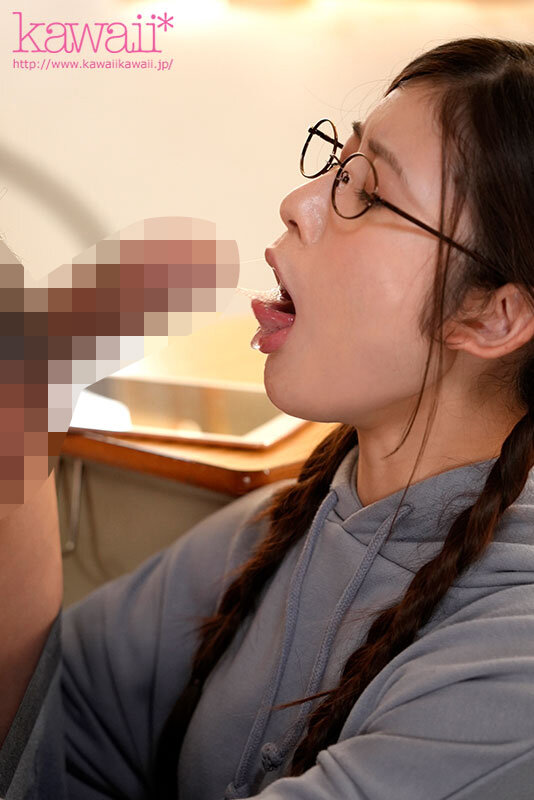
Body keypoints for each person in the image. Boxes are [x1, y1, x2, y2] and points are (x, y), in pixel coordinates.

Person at [2, 34, 534, 800]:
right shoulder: (276, 529)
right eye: (334, 165)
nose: (298, 202)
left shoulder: (510, 676)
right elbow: (67, 717)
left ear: (491, 317)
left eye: (366, 191)